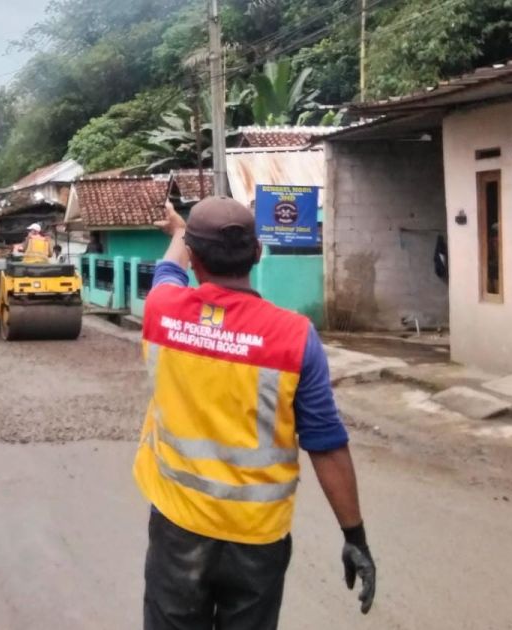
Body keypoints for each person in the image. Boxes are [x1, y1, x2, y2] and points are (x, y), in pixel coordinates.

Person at [137, 198, 375, 630]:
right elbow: (325, 442)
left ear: (194, 257)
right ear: (258, 253)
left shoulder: (162, 310)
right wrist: (353, 534)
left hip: (179, 528)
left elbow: (168, 271)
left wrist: (177, 234)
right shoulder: (294, 336)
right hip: (257, 540)